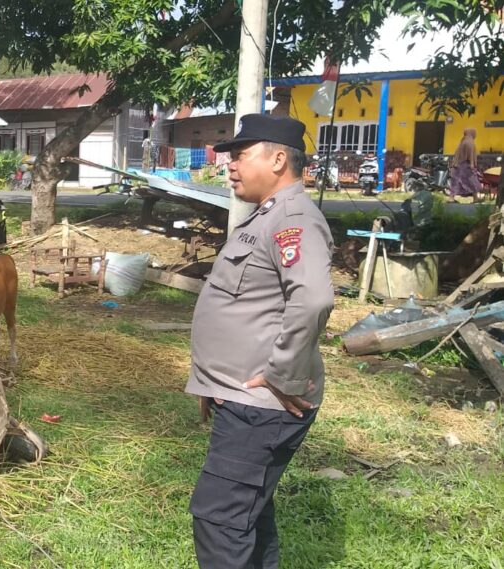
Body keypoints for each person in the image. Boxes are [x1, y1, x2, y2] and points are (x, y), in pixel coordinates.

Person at [186, 114, 335, 569]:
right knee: (247, 516)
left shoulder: (292, 218)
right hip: (242, 399)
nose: (229, 164)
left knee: (219, 520)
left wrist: (280, 377)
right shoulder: (267, 216)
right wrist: (215, 382)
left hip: (264, 406)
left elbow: (311, 299)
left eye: (240, 154)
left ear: (277, 159)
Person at [449, 127, 479, 203]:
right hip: (466, 165)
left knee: (456, 182)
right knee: (472, 181)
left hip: (458, 165)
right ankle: (475, 198)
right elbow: (470, 154)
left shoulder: (463, 141)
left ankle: (451, 198)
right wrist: (472, 164)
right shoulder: (469, 142)